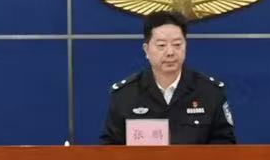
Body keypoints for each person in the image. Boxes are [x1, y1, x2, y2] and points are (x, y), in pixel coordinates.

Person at [101, 11, 236, 144]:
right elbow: (109, 149)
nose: (170, 52)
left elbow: (225, 146)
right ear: (146, 50)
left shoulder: (210, 92)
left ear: (185, 46)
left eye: (177, 44)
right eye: (161, 45)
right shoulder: (125, 95)